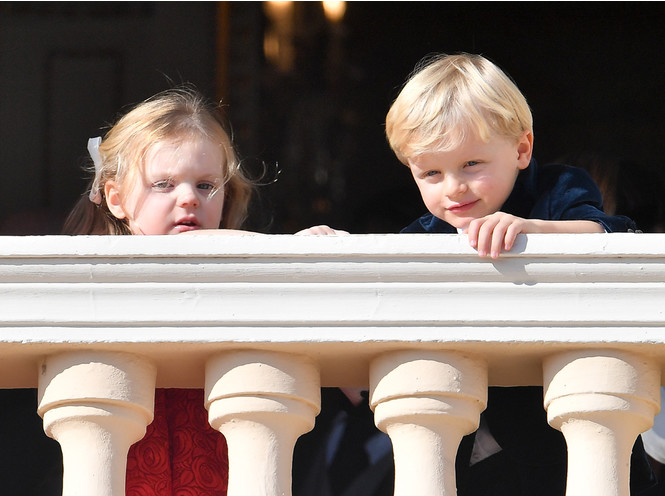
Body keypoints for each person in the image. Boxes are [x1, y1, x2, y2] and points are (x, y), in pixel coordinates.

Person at [384, 53, 655, 494]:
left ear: (522, 149)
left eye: (471, 164)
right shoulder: (427, 233)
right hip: (474, 443)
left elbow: (611, 234)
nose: (453, 187)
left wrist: (534, 230)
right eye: (431, 172)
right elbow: (382, 270)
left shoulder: (558, 191)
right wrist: (332, 240)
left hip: (567, 430)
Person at [63, 86, 344, 495]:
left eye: (206, 185)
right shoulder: (92, 275)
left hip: (219, 466)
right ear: (116, 198)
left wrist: (295, 254)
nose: (189, 198)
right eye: (164, 184)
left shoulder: (236, 270)